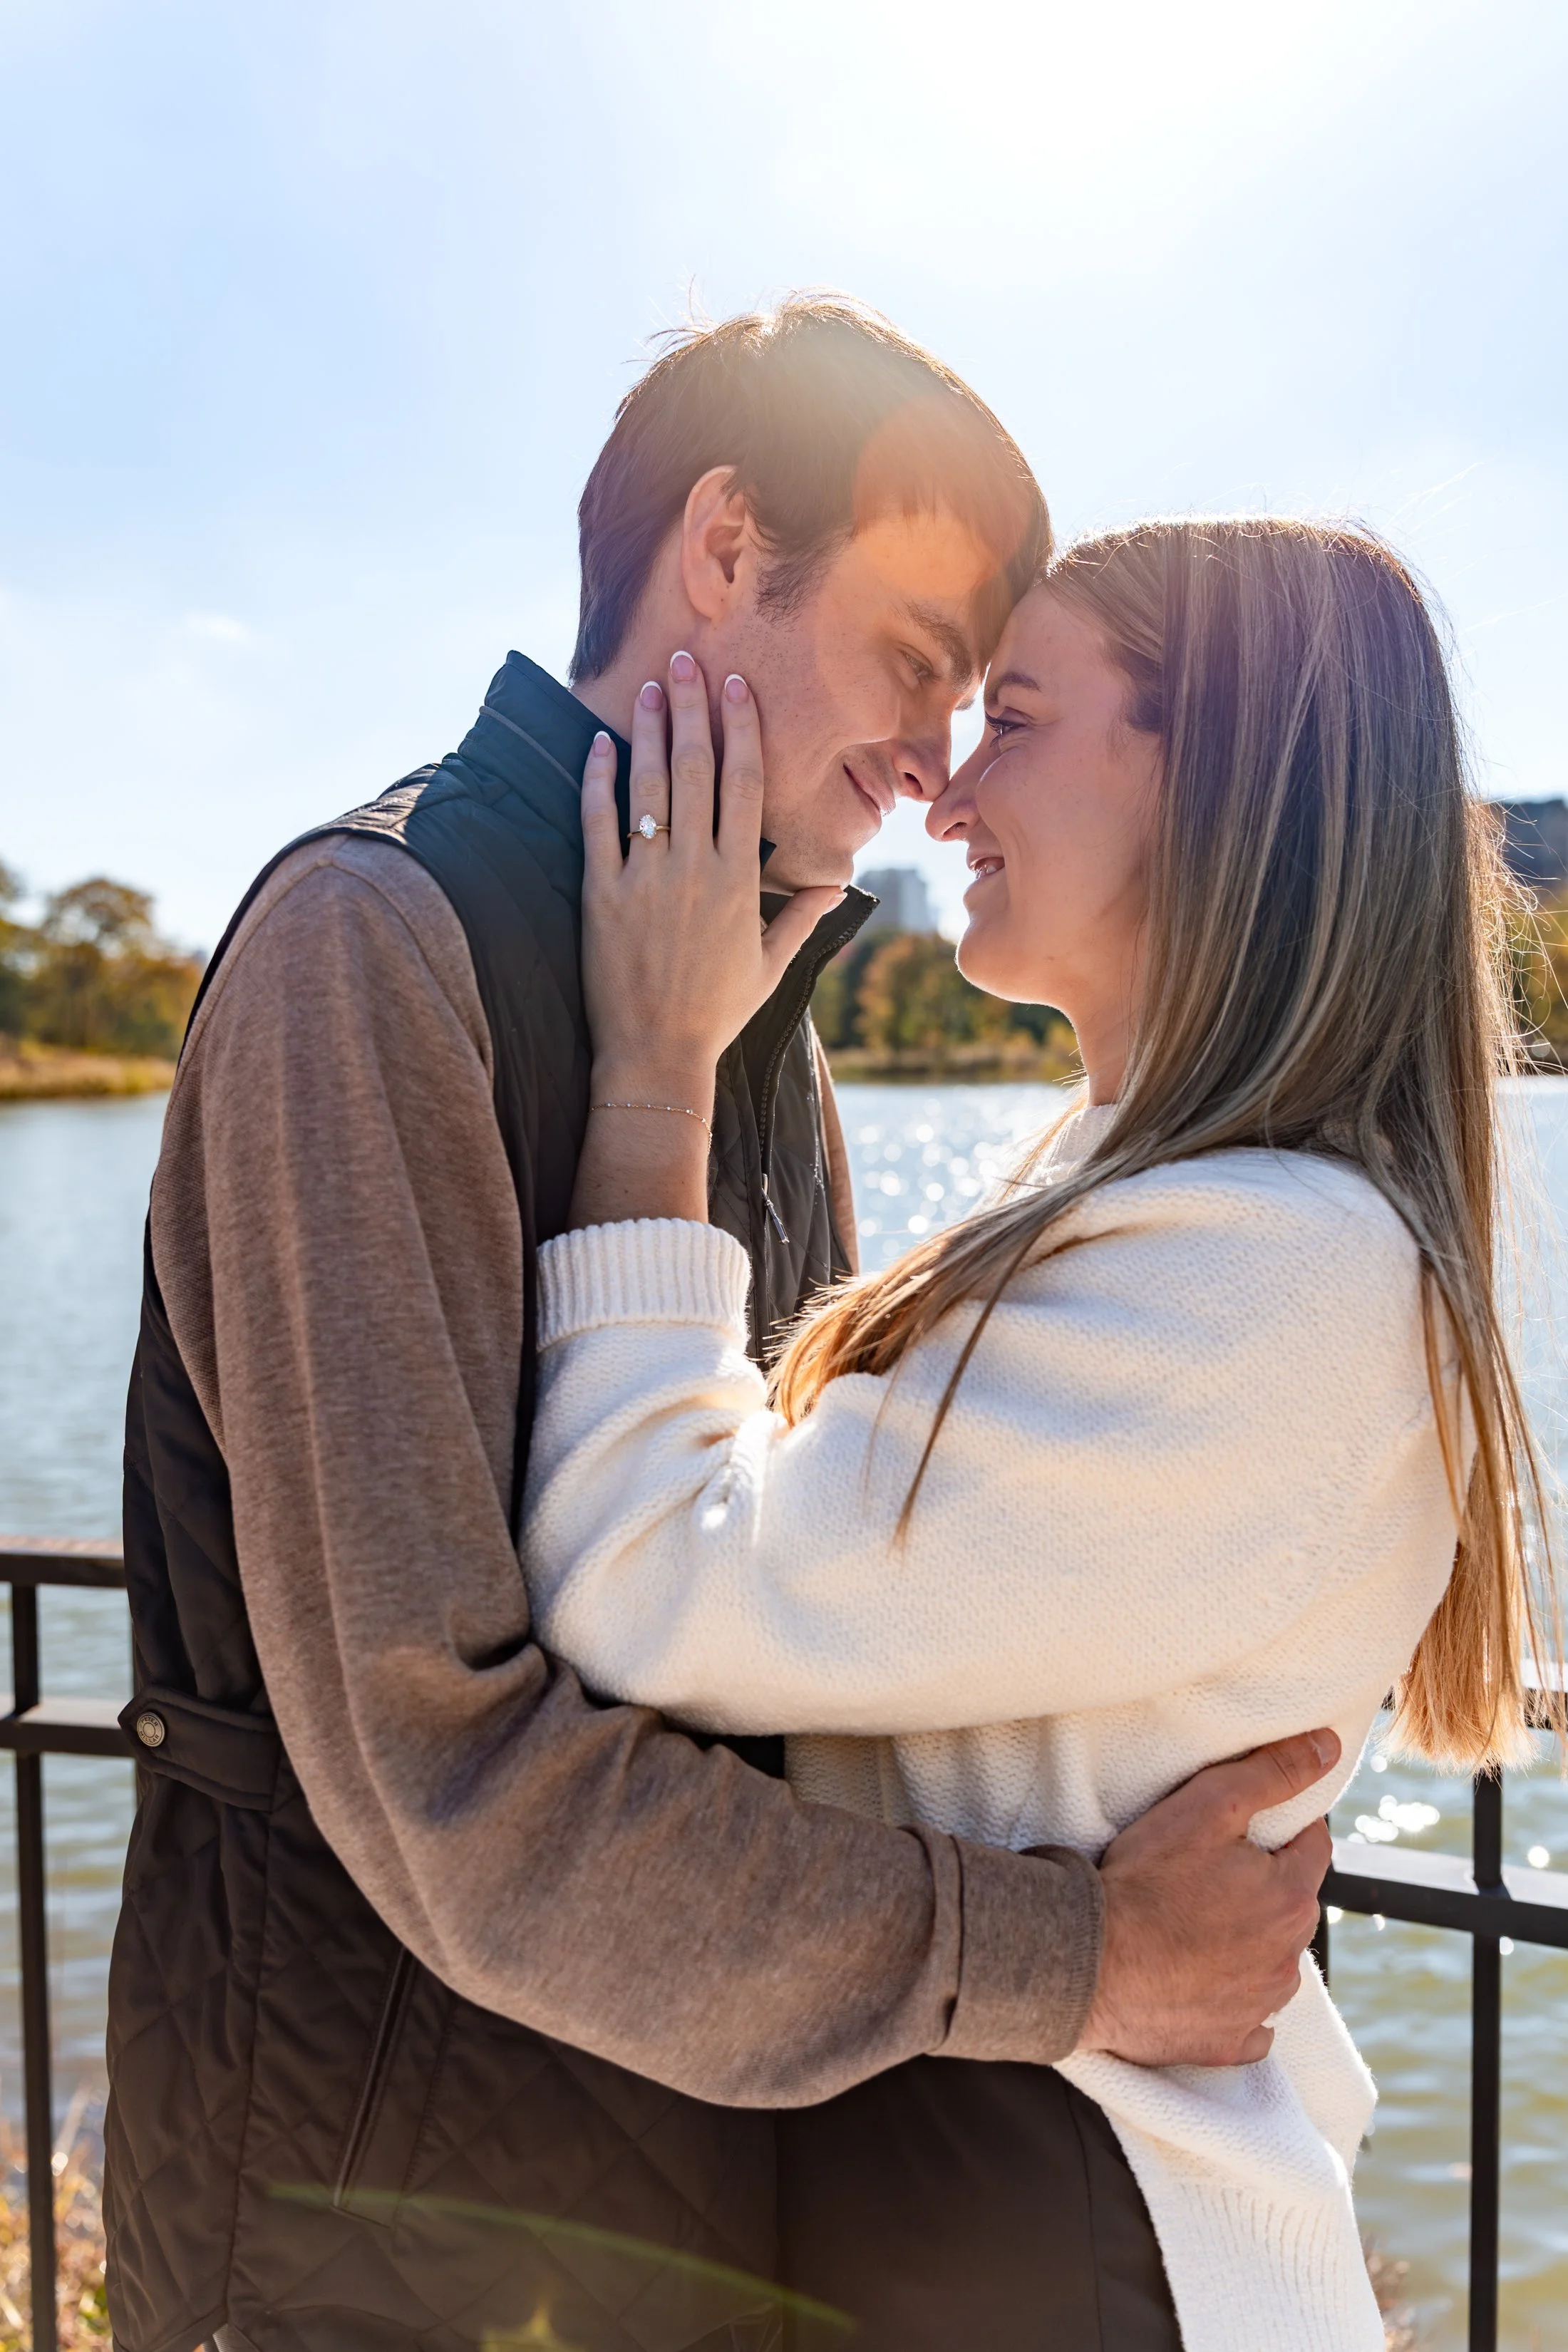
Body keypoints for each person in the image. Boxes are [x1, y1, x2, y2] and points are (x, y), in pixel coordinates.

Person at [107, 306, 1336, 2352]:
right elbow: (458, 1782)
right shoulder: (369, 950)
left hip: (671, 2203)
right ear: (726, 541)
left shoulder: (749, 1012)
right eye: (919, 659)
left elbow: (766, 1613)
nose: (943, 758)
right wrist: (1084, 1954)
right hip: (359, 2230)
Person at [521, 515, 1561, 2352]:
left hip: (1064, 2229)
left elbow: (638, 1579)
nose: (947, 789)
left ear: (1216, 783)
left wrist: (656, 1076)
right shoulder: (1153, 1194)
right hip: (1000, 2193)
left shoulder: (1273, 1273)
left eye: (1014, 716)